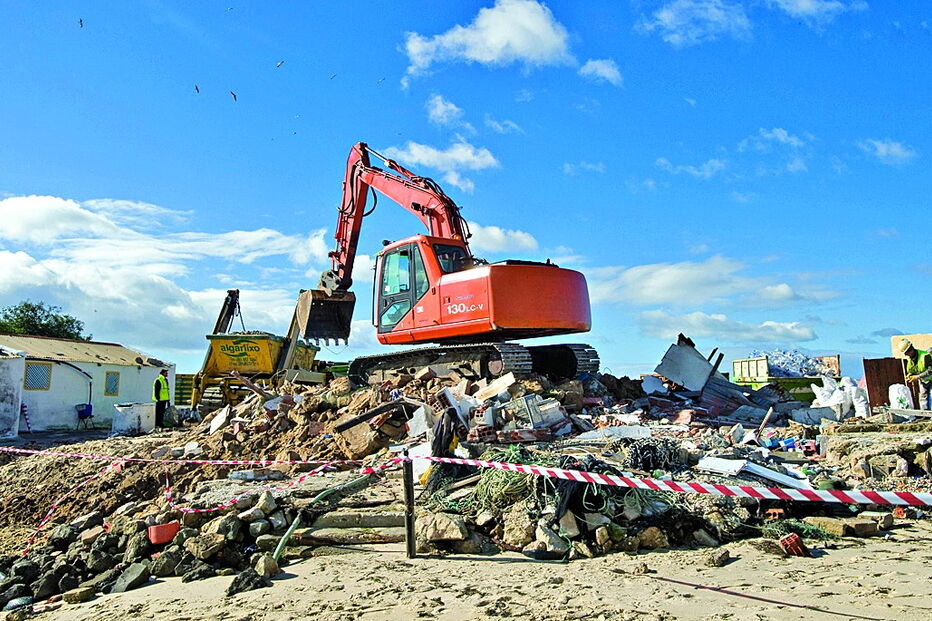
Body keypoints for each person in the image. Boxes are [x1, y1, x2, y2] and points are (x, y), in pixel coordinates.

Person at [900, 339, 932, 410]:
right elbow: (913, 369)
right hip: (924, 380)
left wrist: (917, 377)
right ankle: (925, 415)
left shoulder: (925, 356)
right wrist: (910, 374)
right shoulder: (911, 359)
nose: (906, 355)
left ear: (911, 349)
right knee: (923, 397)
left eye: (906, 352)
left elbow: (930, 370)